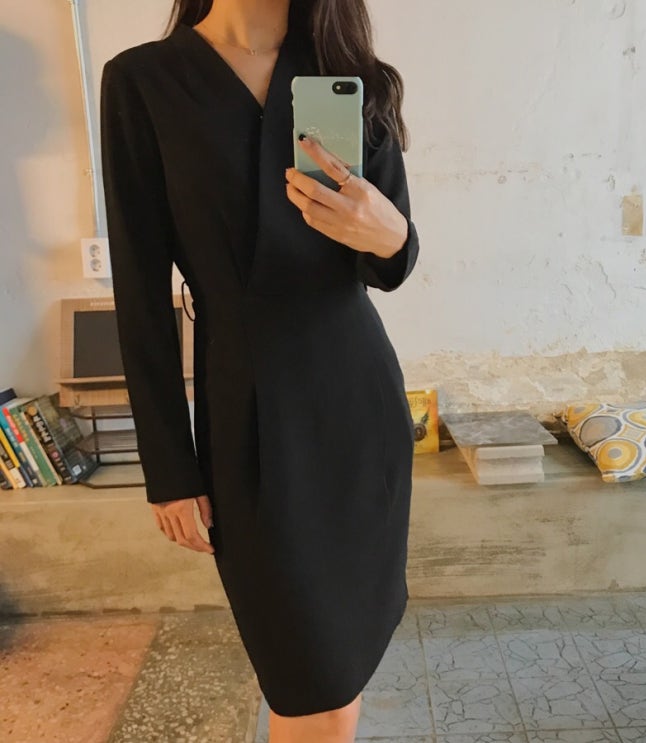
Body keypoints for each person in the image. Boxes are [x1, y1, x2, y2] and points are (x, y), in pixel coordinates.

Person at [99, 0, 419, 740]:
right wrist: (168, 467)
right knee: (310, 678)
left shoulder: (348, 75)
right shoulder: (143, 81)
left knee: (337, 673)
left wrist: (390, 232)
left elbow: (391, 265)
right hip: (248, 411)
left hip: (357, 404)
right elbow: (139, 294)